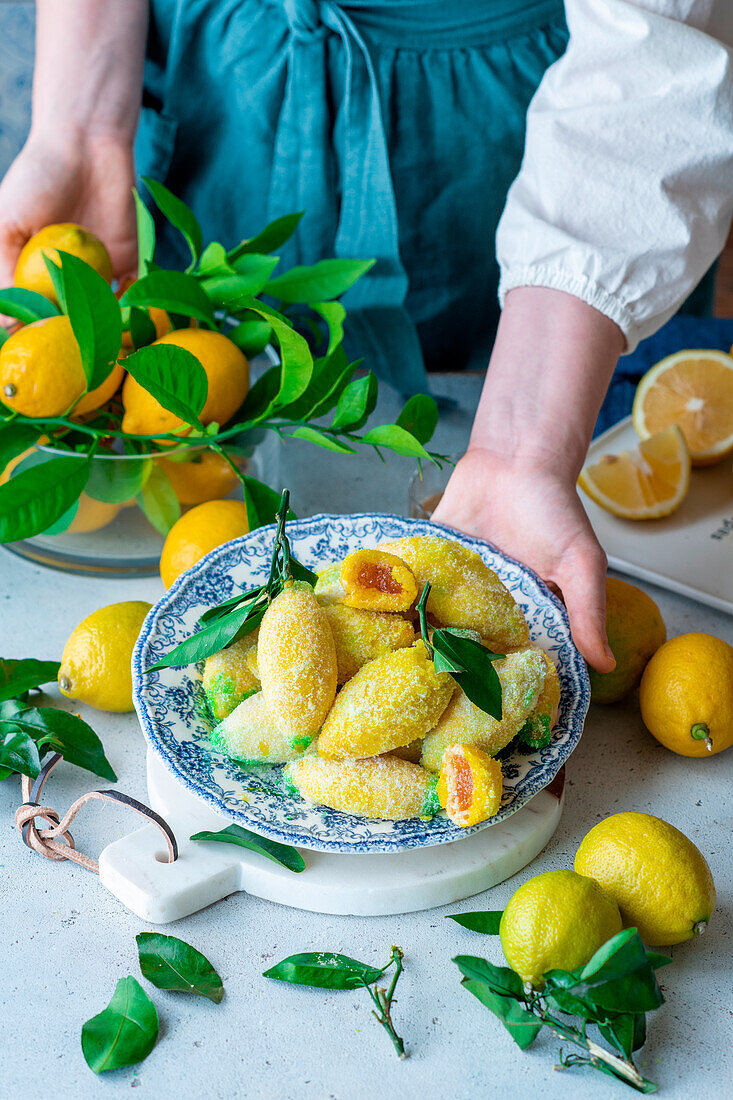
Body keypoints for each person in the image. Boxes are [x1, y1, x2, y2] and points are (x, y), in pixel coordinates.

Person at [1, 1, 731, 672]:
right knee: (218, 414)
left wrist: (519, 448)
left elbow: (648, 63)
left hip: (529, 117)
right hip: (229, 82)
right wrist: (83, 131)